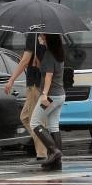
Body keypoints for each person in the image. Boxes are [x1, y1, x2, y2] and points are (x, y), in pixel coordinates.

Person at [5, 33, 48, 164]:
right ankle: (46, 145)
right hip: (46, 85)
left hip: (35, 84)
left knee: (34, 118)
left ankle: (43, 152)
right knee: (28, 117)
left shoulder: (33, 36)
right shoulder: (50, 35)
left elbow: (24, 60)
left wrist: (11, 80)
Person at [29, 33, 66, 171]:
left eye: (42, 37)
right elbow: (49, 72)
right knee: (53, 126)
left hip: (50, 97)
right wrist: (39, 64)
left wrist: (44, 95)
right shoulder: (58, 54)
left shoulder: (49, 55)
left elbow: (49, 77)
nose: (40, 38)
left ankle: (54, 151)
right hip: (60, 95)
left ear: (48, 39)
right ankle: (56, 161)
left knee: (34, 122)